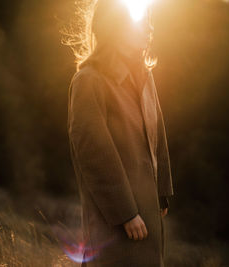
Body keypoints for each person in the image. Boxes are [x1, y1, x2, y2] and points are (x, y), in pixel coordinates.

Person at [63, 0, 174, 266]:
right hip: (114, 222)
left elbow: (158, 136)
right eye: (139, 22)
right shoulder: (89, 80)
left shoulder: (145, 78)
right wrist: (125, 214)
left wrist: (162, 191)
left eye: (149, 21)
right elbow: (93, 153)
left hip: (147, 215)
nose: (148, 29)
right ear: (114, 28)